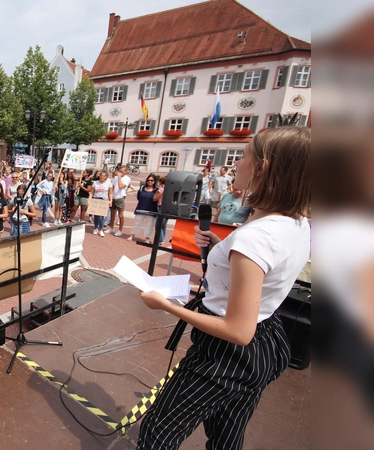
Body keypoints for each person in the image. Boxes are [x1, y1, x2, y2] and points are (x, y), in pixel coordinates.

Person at [136, 127, 311, 449]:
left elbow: (237, 329)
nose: (235, 164)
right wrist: (223, 248)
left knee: (157, 434)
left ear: (265, 168)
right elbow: (265, 270)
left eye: (244, 156)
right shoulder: (295, 223)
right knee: (226, 436)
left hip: (225, 355)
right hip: (267, 340)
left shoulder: (255, 238)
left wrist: (166, 306)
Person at [126, 175, 159, 243]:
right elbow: (139, 197)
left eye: (152, 180)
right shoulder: (142, 188)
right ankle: (132, 235)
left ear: (155, 181)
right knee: (137, 223)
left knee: (149, 225)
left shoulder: (156, 190)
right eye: (148, 180)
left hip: (151, 210)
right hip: (141, 208)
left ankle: (147, 238)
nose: (150, 182)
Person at [107, 166, 131, 236]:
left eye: (122, 171)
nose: (120, 172)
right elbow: (113, 186)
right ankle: (111, 228)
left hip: (121, 197)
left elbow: (121, 186)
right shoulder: (115, 177)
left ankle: (120, 230)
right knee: (112, 214)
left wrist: (119, 177)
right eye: (119, 171)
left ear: (125, 171)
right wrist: (110, 197)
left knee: (121, 215)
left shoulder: (127, 179)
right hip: (114, 197)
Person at [91, 170, 113, 236]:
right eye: (101, 175)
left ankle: (100, 229)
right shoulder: (95, 183)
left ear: (106, 177)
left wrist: (110, 201)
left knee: (101, 216)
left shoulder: (109, 183)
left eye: (104, 176)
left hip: (104, 200)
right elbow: (91, 192)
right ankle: (95, 228)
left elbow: (110, 193)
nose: (102, 177)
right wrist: (89, 200)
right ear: (99, 176)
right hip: (96, 199)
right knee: (96, 216)